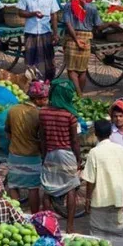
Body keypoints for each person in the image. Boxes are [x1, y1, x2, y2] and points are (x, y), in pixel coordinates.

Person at [38, 79, 81, 233]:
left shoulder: (43, 112)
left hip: (50, 154)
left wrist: (44, 156)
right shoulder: (70, 116)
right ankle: (69, 226)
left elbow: (42, 137)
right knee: (71, 187)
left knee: (48, 189)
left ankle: (49, 224)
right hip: (67, 154)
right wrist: (78, 157)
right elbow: (74, 140)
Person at [83, 119, 123, 246]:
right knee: (118, 234)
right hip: (118, 199)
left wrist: (87, 199)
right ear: (110, 132)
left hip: (100, 200)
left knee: (99, 237)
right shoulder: (120, 150)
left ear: (96, 134)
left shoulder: (94, 153)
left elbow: (90, 180)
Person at [62, 0, 117, 96]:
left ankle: (78, 95)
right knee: (82, 70)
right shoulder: (92, 8)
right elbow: (98, 27)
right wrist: (111, 23)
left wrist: (76, 40)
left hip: (73, 38)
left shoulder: (68, 6)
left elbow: (68, 24)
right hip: (86, 39)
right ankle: (80, 93)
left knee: (71, 70)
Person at [6, 81, 49, 213]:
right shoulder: (38, 114)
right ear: (37, 99)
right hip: (32, 156)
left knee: (13, 186)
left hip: (14, 155)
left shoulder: (13, 110)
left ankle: (16, 214)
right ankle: (34, 215)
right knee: (33, 188)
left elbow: (7, 131)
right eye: (45, 98)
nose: (47, 101)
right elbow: (42, 137)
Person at [17, 0, 59, 80]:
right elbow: (20, 12)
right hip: (31, 32)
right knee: (30, 59)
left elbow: (54, 15)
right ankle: (32, 81)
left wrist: (55, 33)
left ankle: (49, 81)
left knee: (48, 60)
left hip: (45, 31)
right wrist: (33, 14)